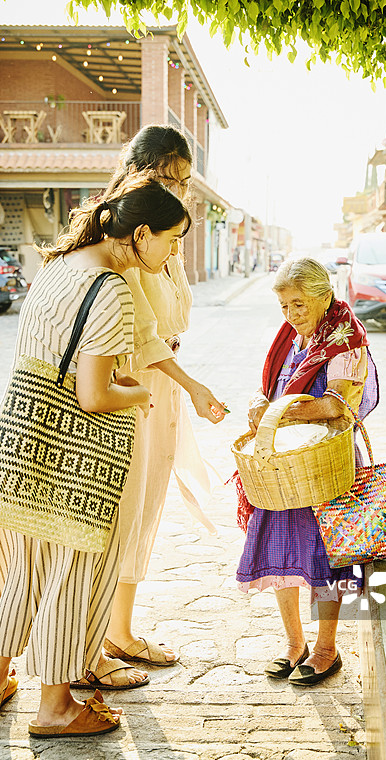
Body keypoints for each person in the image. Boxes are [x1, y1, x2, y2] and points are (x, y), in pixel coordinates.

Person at [0, 177, 191, 735]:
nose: (174, 252)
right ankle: (55, 708)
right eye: (172, 240)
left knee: (24, 569)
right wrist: (140, 393)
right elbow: (96, 395)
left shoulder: (57, 265)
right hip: (76, 456)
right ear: (139, 233)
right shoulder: (110, 288)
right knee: (72, 572)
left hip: (23, 438)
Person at [71, 125, 226, 691]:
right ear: (141, 171)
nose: (180, 189)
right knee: (118, 513)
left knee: (145, 507)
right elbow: (141, 332)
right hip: (130, 382)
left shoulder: (167, 231)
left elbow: (171, 319)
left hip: (160, 380)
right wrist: (188, 384)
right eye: (169, 177)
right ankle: (93, 641)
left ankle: (119, 630)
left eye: (185, 180)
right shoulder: (129, 237)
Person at [236, 258, 379, 686]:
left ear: (324, 296)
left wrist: (279, 416)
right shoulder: (290, 338)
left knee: (325, 558)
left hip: (323, 464)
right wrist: (259, 405)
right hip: (285, 466)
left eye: (298, 304)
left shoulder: (345, 339)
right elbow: (274, 390)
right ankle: (294, 644)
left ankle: (325, 649)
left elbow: (337, 404)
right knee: (281, 551)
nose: (291, 315)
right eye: (283, 306)